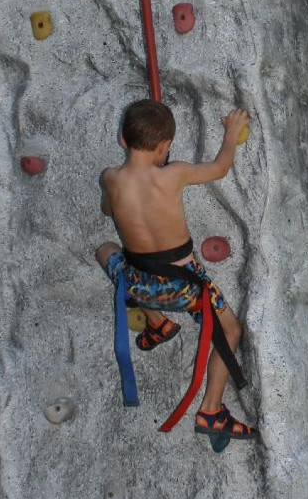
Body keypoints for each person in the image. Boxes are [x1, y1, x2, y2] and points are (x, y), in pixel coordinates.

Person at [95, 99, 258, 446]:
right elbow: (219, 168)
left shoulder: (110, 178)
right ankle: (211, 409)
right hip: (186, 290)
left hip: (139, 287)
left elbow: (109, 211)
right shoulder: (175, 174)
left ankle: (157, 322)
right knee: (230, 330)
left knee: (105, 250)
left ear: (123, 140)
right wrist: (230, 134)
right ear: (165, 146)